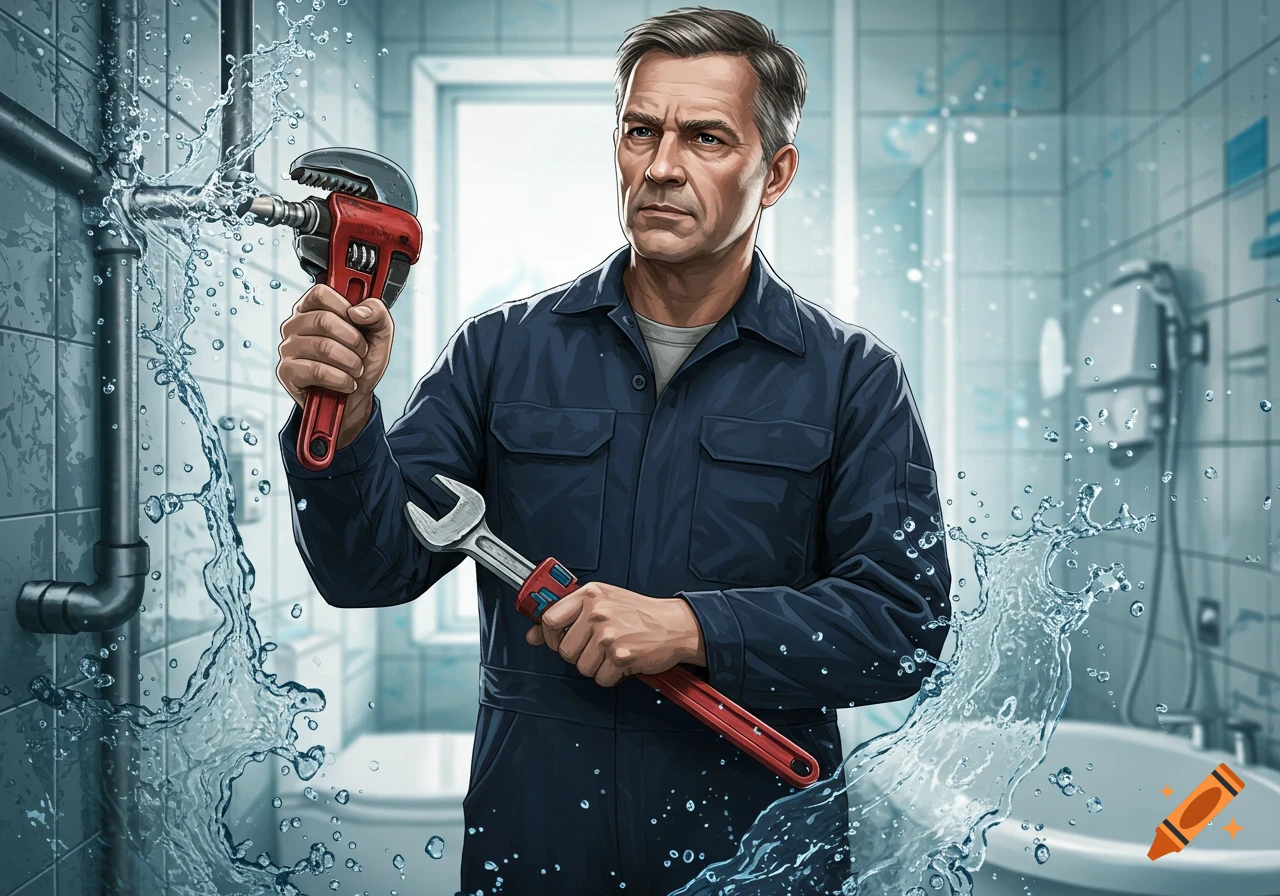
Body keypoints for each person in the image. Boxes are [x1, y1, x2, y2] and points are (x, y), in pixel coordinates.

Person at [275, 7, 951, 894]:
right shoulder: (500, 353)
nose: (662, 166)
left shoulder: (854, 378)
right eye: (641, 130)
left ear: (775, 172)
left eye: (707, 137)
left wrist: (691, 628)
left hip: (757, 860)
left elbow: (903, 629)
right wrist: (350, 417)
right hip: (537, 846)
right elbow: (364, 572)